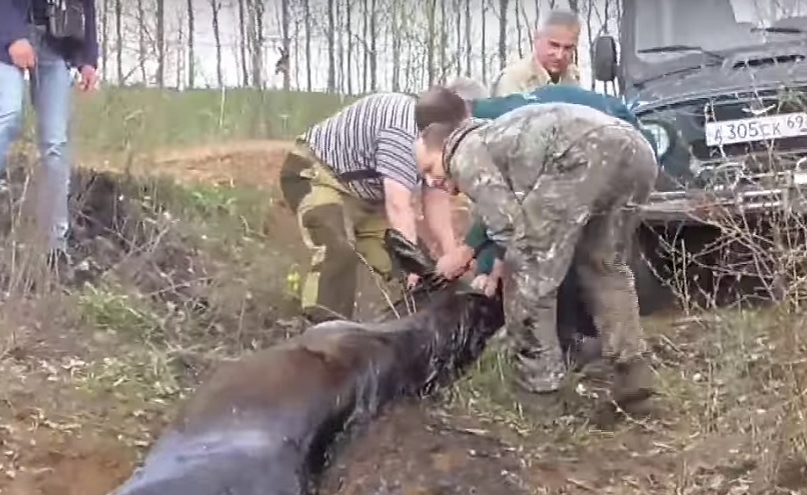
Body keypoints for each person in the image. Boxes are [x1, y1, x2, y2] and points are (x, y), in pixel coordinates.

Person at [414, 104, 659, 411]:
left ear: (444, 148)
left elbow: (510, 230)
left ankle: (539, 396)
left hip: (582, 155)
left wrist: (500, 272)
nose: (431, 181)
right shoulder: (494, 137)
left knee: (529, 276)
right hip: (636, 151)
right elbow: (510, 225)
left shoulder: (464, 153)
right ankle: (633, 371)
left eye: (429, 169)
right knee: (604, 265)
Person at [278, 91, 463, 323]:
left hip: (367, 197)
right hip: (316, 173)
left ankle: (414, 332)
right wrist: (410, 262)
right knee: (338, 250)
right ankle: (324, 338)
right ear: (430, 135)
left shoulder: (437, 139)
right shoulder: (402, 134)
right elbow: (398, 206)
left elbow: (435, 197)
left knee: (424, 273)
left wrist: (451, 256)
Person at [0, 0, 101, 270]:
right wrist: (14, 37)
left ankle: (56, 246)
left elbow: (84, 5)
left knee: (56, 144)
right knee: (7, 115)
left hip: (56, 43)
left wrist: (88, 60)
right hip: (10, 36)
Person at [493, 9, 583, 95]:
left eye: (568, 48)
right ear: (537, 39)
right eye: (554, 45)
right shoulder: (513, 79)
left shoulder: (573, 76)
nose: (559, 56)